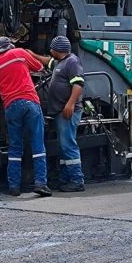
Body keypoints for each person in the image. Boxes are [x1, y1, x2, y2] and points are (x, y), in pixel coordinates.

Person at [0, 37, 53, 197]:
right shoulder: (19, 53)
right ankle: (40, 183)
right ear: (9, 46)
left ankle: (14, 186)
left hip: (10, 107)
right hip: (29, 102)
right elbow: (39, 67)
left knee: (15, 147)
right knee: (37, 144)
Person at [29, 36, 86, 192]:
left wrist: (70, 103)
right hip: (60, 111)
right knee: (63, 145)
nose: (50, 51)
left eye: (52, 48)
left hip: (67, 111)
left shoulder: (72, 62)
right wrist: (32, 55)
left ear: (57, 50)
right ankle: (65, 178)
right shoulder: (60, 62)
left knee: (68, 144)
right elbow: (47, 61)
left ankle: (77, 180)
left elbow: (78, 83)